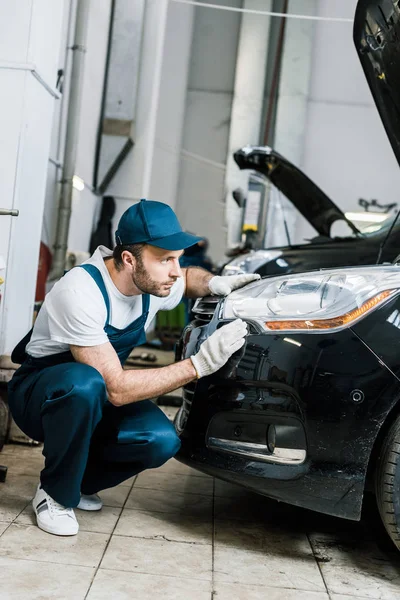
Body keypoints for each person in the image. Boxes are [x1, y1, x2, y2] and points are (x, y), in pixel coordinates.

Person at [8, 199, 259, 537]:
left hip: (98, 396)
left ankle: (77, 482)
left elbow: (188, 278)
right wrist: (198, 365)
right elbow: (116, 388)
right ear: (128, 259)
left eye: (177, 257)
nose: (174, 269)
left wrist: (215, 283)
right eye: (165, 259)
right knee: (85, 383)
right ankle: (53, 494)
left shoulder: (152, 283)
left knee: (161, 440)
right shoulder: (81, 291)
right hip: (42, 396)